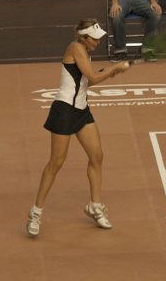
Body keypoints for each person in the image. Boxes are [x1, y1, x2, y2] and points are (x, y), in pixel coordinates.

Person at [26, 19, 130, 237]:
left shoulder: (85, 51)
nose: (98, 41)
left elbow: (85, 82)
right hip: (64, 110)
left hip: (81, 109)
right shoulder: (75, 47)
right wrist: (113, 69)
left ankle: (94, 205)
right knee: (56, 162)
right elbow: (92, 76)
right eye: (95, 38)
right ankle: (35, 213)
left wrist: (111, 71)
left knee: (97, 156)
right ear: (84, 37)